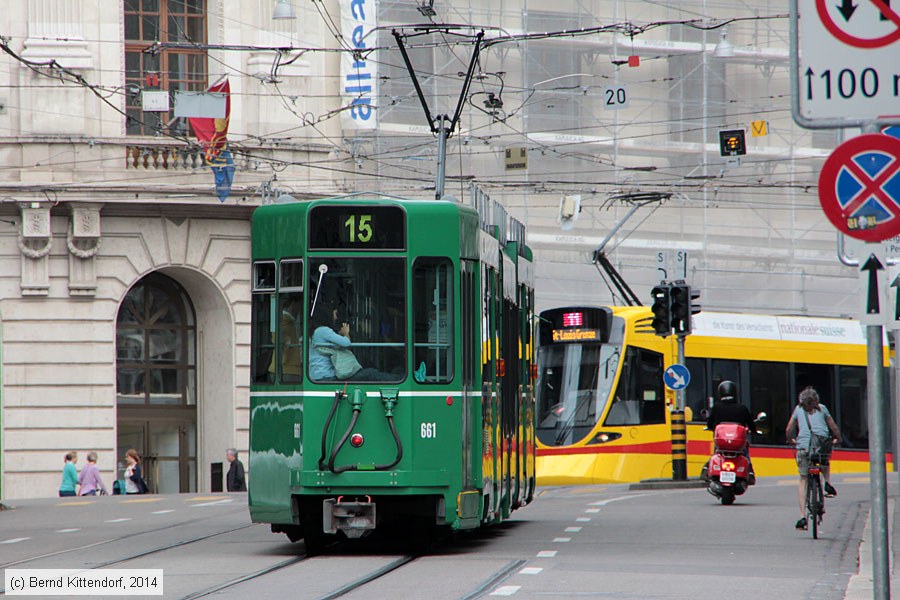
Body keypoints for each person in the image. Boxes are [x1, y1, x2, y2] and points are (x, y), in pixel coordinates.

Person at [786, 386, 842, 530]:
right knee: (824, 460)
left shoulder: (798, 410)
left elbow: (789, 430)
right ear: (816, 400)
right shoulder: (822, 409)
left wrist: (791, 439)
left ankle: (802, 516)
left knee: (804, 479)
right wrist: (838, 438)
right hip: (820, 447)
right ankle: (827, 484)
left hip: (803, 448)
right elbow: (833, 427)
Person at [703, 381, 756, 482]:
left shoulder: (717, 407)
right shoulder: (742, 408)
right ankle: (750, 471)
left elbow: (709, 424)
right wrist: (754, 430)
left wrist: (711, 427)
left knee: (716, 453)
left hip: (721, 444)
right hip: (738, 445)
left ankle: (706, 468)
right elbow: (750, 424)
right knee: (744, 452)